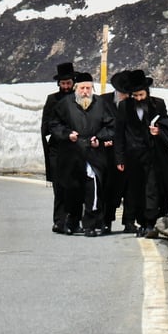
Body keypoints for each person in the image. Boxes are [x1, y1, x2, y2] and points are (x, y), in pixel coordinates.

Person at [114, 69, 168, 238]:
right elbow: (119, 134)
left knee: (152, 188)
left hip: (154, 155)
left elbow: (166, 124)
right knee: (137, 190)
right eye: (135, 96)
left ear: (147, 92)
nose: (138, 98)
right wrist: (120, 158)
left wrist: (159, 131)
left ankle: (151, 222)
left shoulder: (158, 104)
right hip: (133, 157)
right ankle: (142, 222)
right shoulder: (123, 106)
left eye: (141, 95)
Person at [49, 70, 115, 236]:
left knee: (92, 189)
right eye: (82, 88)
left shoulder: (100, 103)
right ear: (76, 88)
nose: (85, 92)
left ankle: (90, 224)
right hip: (72, 153)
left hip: (93, 153)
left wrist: (98, 138)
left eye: (88, 88)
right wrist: (67, 134)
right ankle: (72, 222)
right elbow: (54, 125)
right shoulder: (65, 104)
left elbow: (111, 126)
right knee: (73, 190)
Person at [42, 62, 76, 233]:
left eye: (68, 83)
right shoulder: (52, 99)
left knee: (74, 186)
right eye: (63, 83)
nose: (65, 86)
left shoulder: (79, 97)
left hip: (75, 148)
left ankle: (72, 219)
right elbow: (46, 125)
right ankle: (59, 220)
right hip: (57, 149)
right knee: (59, 186)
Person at [97, 71, 131, 234]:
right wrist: (105, 139)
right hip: (108, 153)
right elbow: (96, 125)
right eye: (123, 92)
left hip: (128, 151)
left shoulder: (133, 104)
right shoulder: (103, 101)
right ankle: (106, 220)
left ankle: (129, 221)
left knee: (129, 188)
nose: (125, 95)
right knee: (109, 188)